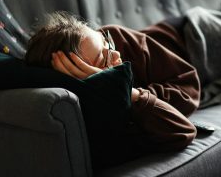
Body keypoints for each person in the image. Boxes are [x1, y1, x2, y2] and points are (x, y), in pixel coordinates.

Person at [25, 11, 200, 153]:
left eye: (106, 42)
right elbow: (183, 131)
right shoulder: (99, 105)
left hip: (192, 33)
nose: (116, 54)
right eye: (103, 60)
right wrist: (127, 91)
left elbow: (189, 88)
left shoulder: (116, 37)